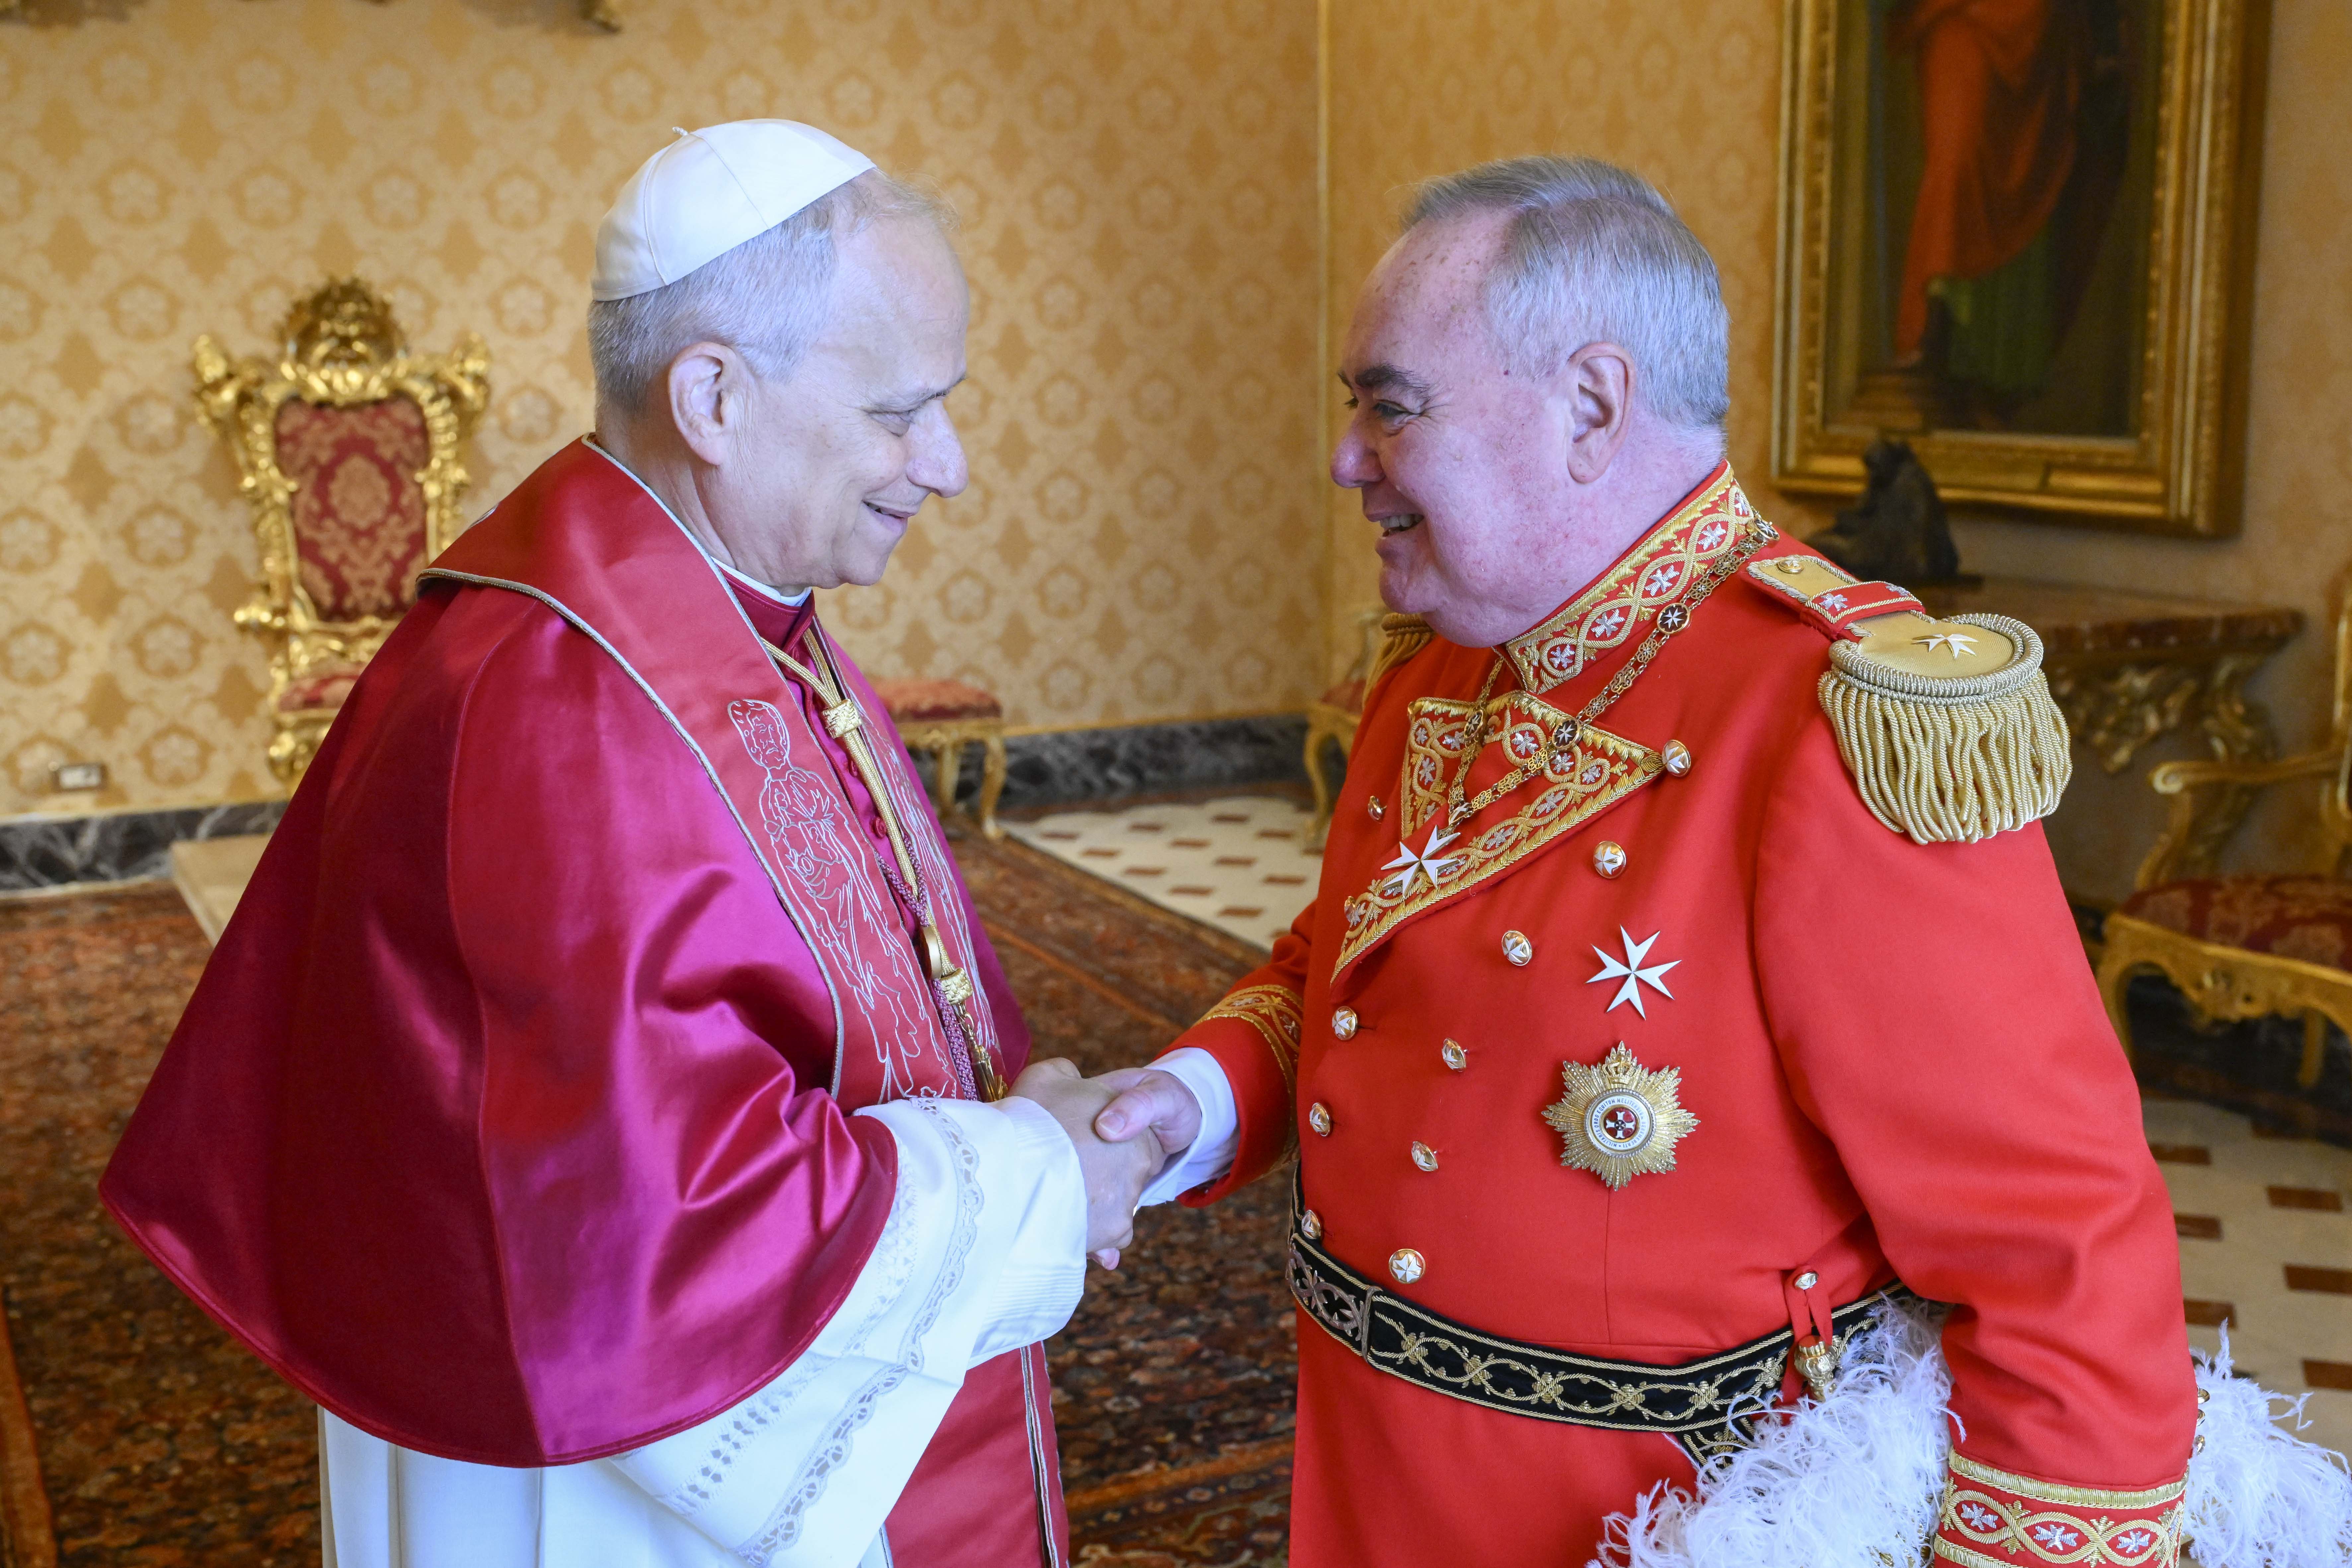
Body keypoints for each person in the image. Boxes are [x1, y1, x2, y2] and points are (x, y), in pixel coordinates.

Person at [1093, 155, 2349, 1566]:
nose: (1345, 455)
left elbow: (2056, 1251)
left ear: (1588, 403)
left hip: (1658, 1521)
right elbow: (1346, 967)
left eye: (1388, 404)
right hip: (1379, 1482)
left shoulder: (1832, 718)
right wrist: (1171, 1109)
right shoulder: (1450, 658)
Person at [101, 120, 1162, 1568]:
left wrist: (1002, 1087)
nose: (950, 463)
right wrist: (1039, 1174)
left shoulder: (721, 611)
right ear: (713, 396)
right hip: (598, 1492)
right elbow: (666, 1238)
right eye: (900, 411)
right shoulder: (566, 707)